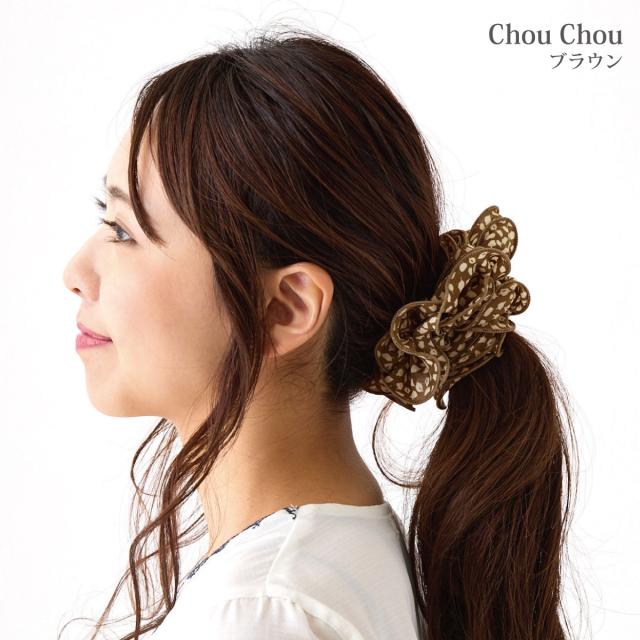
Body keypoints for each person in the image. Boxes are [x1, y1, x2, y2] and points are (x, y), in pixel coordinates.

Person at [60, 28, 579, 640]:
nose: (76, 273)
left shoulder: (261, 612)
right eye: (105, 219)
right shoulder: (333, 561)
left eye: (124, 232)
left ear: (286, 308)